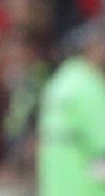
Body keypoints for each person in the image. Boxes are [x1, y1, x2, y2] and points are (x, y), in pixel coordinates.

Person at [39, 21, 105, 196]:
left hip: (56, 182)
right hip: (85, 185)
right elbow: (102, 138)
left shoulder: (61, 80)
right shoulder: (88, 85)